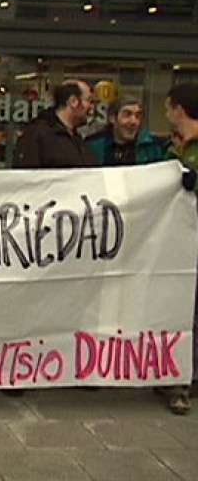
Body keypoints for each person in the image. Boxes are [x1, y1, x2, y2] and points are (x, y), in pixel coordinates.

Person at [163, 83, 198, 415]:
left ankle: (184, 380)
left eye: (168, 107)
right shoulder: (174, 148)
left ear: (180, 110)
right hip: (177, 244)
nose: (166, 114)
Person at [14, 80, 98, 168]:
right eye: (88, 100)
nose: (91, 107)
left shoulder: (76, 138)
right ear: (73, 101)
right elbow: (25, 176)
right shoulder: (38, 134)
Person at [85, 96, 167, 166]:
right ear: (112, 118)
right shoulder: (93, 146)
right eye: (127, 114)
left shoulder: (152, 147)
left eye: (138, 116)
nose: (134, 121)